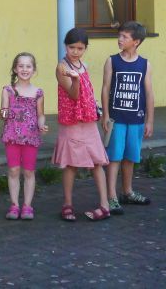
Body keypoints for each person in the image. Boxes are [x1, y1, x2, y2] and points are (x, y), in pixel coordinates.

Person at [53, 28, 111, 221]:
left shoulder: (82, 65)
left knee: (97, 162)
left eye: (80, 48)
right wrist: (75, 79)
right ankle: (67, 204)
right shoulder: (62, 68)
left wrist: (99, 113)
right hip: (71, 122)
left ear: (85, 48)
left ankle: (105, 205)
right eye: (72, 47)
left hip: (88, 121)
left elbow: (88, 95)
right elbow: (74, 95)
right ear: (65, 46)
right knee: (70, 164)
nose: (76, 51)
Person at [100, 21, 155, 215]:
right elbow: (106, 88)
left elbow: (148, 93)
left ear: (136, 42)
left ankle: (128, 191)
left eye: (125, 37)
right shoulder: (112, 61)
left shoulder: (144, 64)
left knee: (130, 157)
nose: (120, 39)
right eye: (120, 35)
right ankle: (111, 197)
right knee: (114, 157)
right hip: (117, 119)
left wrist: (149, 120)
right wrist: (105, 115)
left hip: (137, 119)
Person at [0, 52, 48, 220]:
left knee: (29, 172)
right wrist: (4, 113)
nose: (24, 69)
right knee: (13, 170)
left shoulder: (38, 92)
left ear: (33, 70)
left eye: (28, 66)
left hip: (31, 137)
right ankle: (14, 205)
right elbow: (3, 111)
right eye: (21, 66)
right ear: (15, 68)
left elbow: (40, 114)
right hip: (12, 135)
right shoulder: (8, 90)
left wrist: (42, 125)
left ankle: (27, 206)